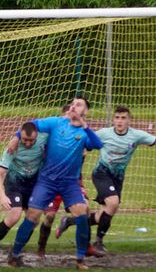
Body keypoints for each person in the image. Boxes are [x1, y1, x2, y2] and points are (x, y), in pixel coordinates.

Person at [7, 97, 103, 270]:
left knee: (81, 212)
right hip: (47, 181)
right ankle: (14, 254)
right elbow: (31, 124)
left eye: (79, 104)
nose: (74, 106)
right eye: (73, 103)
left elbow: (97, 144)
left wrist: (84, 125)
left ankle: (80, 259)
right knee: (33, 215)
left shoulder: (84, 134)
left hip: (69, 183)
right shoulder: (56, 122)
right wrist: (15, 137)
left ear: (86, 112)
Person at [55, 105, 156, 254]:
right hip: (102, 173)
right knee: (113, 203)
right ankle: (98, 243)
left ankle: (69, 222)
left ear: (129, 120)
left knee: (104, 213)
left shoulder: (137, 135)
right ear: (113, 120)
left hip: (118, 177)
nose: (120, 121)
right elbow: (84, 141)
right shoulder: (104, 133)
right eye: (117, 118)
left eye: (123, 118)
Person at [0, 122, 47, 267]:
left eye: (31, 140)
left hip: (32, 184)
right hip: (14, 183)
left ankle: (15, 253)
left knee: (35, 219)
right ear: (20, 135)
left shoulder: (44, 139)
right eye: (24, 139)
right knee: (15, 214)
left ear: (37, 136)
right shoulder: (13, 147)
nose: (28, 143)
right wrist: (2, 197)